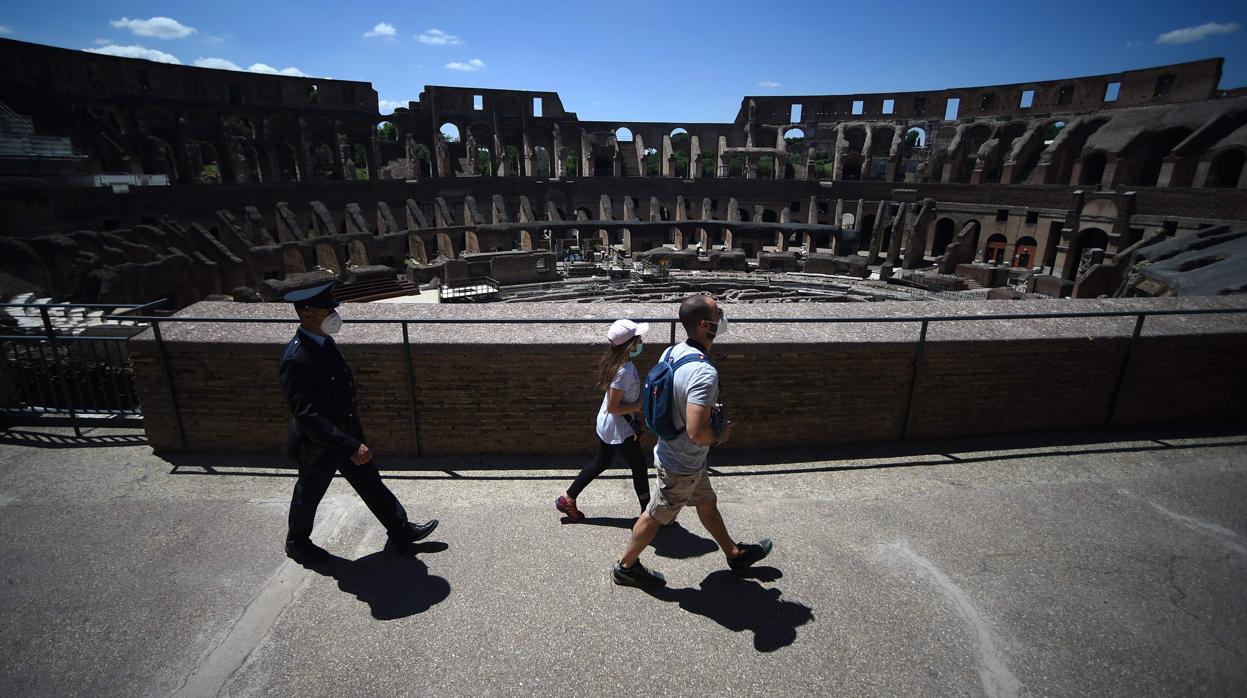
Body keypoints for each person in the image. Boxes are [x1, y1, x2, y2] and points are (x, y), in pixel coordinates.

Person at [612, 295, 771, 588]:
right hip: (681, 463)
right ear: (703, 324)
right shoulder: (703, 373)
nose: (722, 318)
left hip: (678, 452)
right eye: (718, 313)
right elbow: (698, 432)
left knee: (707, 503)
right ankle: (626, 566)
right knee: (656, 515)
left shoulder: (672, 352)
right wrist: (721, 433)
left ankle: (735, 554)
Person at [279, 281, 438, 564]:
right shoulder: (297, 358)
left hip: (345, 431)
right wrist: (349, 444)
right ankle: (297, 544)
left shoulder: (323, 341)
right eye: (325, 309)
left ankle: (400, 531)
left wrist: (352, 433)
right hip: (320, 442)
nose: (332, 313)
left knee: (370, 483)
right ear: (306, 314)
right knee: (309, 493)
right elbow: (306, 414)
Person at [556, 319, 652, 522]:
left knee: (602, 461)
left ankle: (567, 498)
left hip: (610, 425)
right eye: (638, 339)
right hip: (619, 429)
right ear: (630, 345)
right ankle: (648, 517)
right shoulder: (623, 371)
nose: (642, 341)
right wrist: (637, 407)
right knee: (639, 467)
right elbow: (614, 407)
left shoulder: (617, 362)